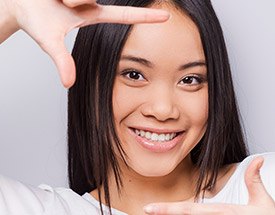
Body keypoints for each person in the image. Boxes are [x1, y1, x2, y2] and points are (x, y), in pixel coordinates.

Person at [0, 0, 274, 215]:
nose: (163, 109)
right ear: (91, 82)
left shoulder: (263, 186)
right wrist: (11, 10)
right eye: (133, 74)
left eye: (190, 80)